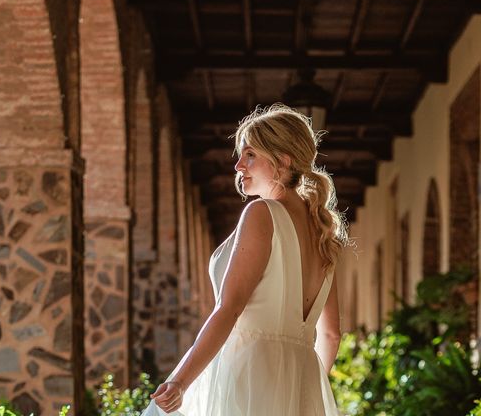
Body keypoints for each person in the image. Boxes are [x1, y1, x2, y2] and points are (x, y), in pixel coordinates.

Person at [141, 103, 349, 415]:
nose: (239, 165)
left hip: (248, 376)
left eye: (250, 154)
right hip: (300, 383)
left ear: (283, 160)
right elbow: (331, 335)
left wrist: (181, 382)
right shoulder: (322, 232)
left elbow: (230, 308)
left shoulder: (262, 213)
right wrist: (301, 389)